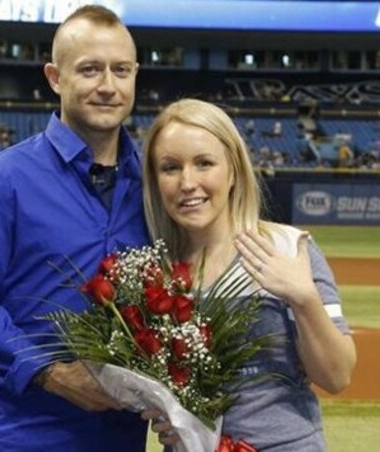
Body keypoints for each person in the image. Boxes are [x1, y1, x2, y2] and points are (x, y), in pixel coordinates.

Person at [0, 5, 149, 451]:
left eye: (120, 70)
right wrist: (51, 373)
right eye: (89, 70)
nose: (108, 86)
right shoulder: (4, 178)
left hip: (121, 438)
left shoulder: (155, 185)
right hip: (20, 436)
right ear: (55, 77)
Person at [140, 99, 356, 451]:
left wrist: (303, 298)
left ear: (234, 171)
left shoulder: (289, 248)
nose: (188, 182)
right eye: (170, 168)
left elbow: (336, 376)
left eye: (204, 163)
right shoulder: (151, 273)